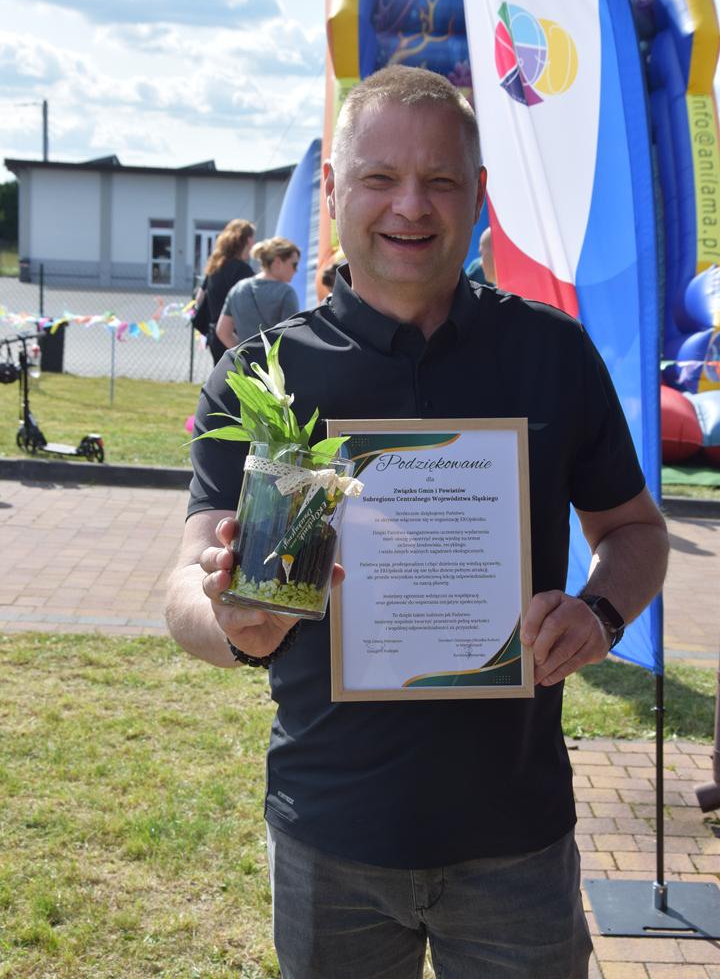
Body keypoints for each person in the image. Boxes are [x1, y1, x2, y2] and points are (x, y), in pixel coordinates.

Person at [166, 65, 668, 978]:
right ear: (332, 189)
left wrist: (600, 613)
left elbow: (636, 530)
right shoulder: (264, 375)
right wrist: (231, 621)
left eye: (440, 179)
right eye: (380, 177)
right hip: (331, 837)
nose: (411, 205)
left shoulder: (550, 353)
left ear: (479, 194)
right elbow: (184, 585)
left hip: (517, 842)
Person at [215, 237, 300, 351]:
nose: (296, 270)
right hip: (277, 361)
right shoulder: (286, 293)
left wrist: (243, 352)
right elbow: (292, 337)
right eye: (294, 264)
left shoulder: (238, 289)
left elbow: (222, 331)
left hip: (246, 360)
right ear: (277, 262)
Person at [194, 219, 255, 364]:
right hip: (234, 337)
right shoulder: (243, 270)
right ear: (248, 240)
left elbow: (199, 298)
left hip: (214, 335)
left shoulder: (214, 267)